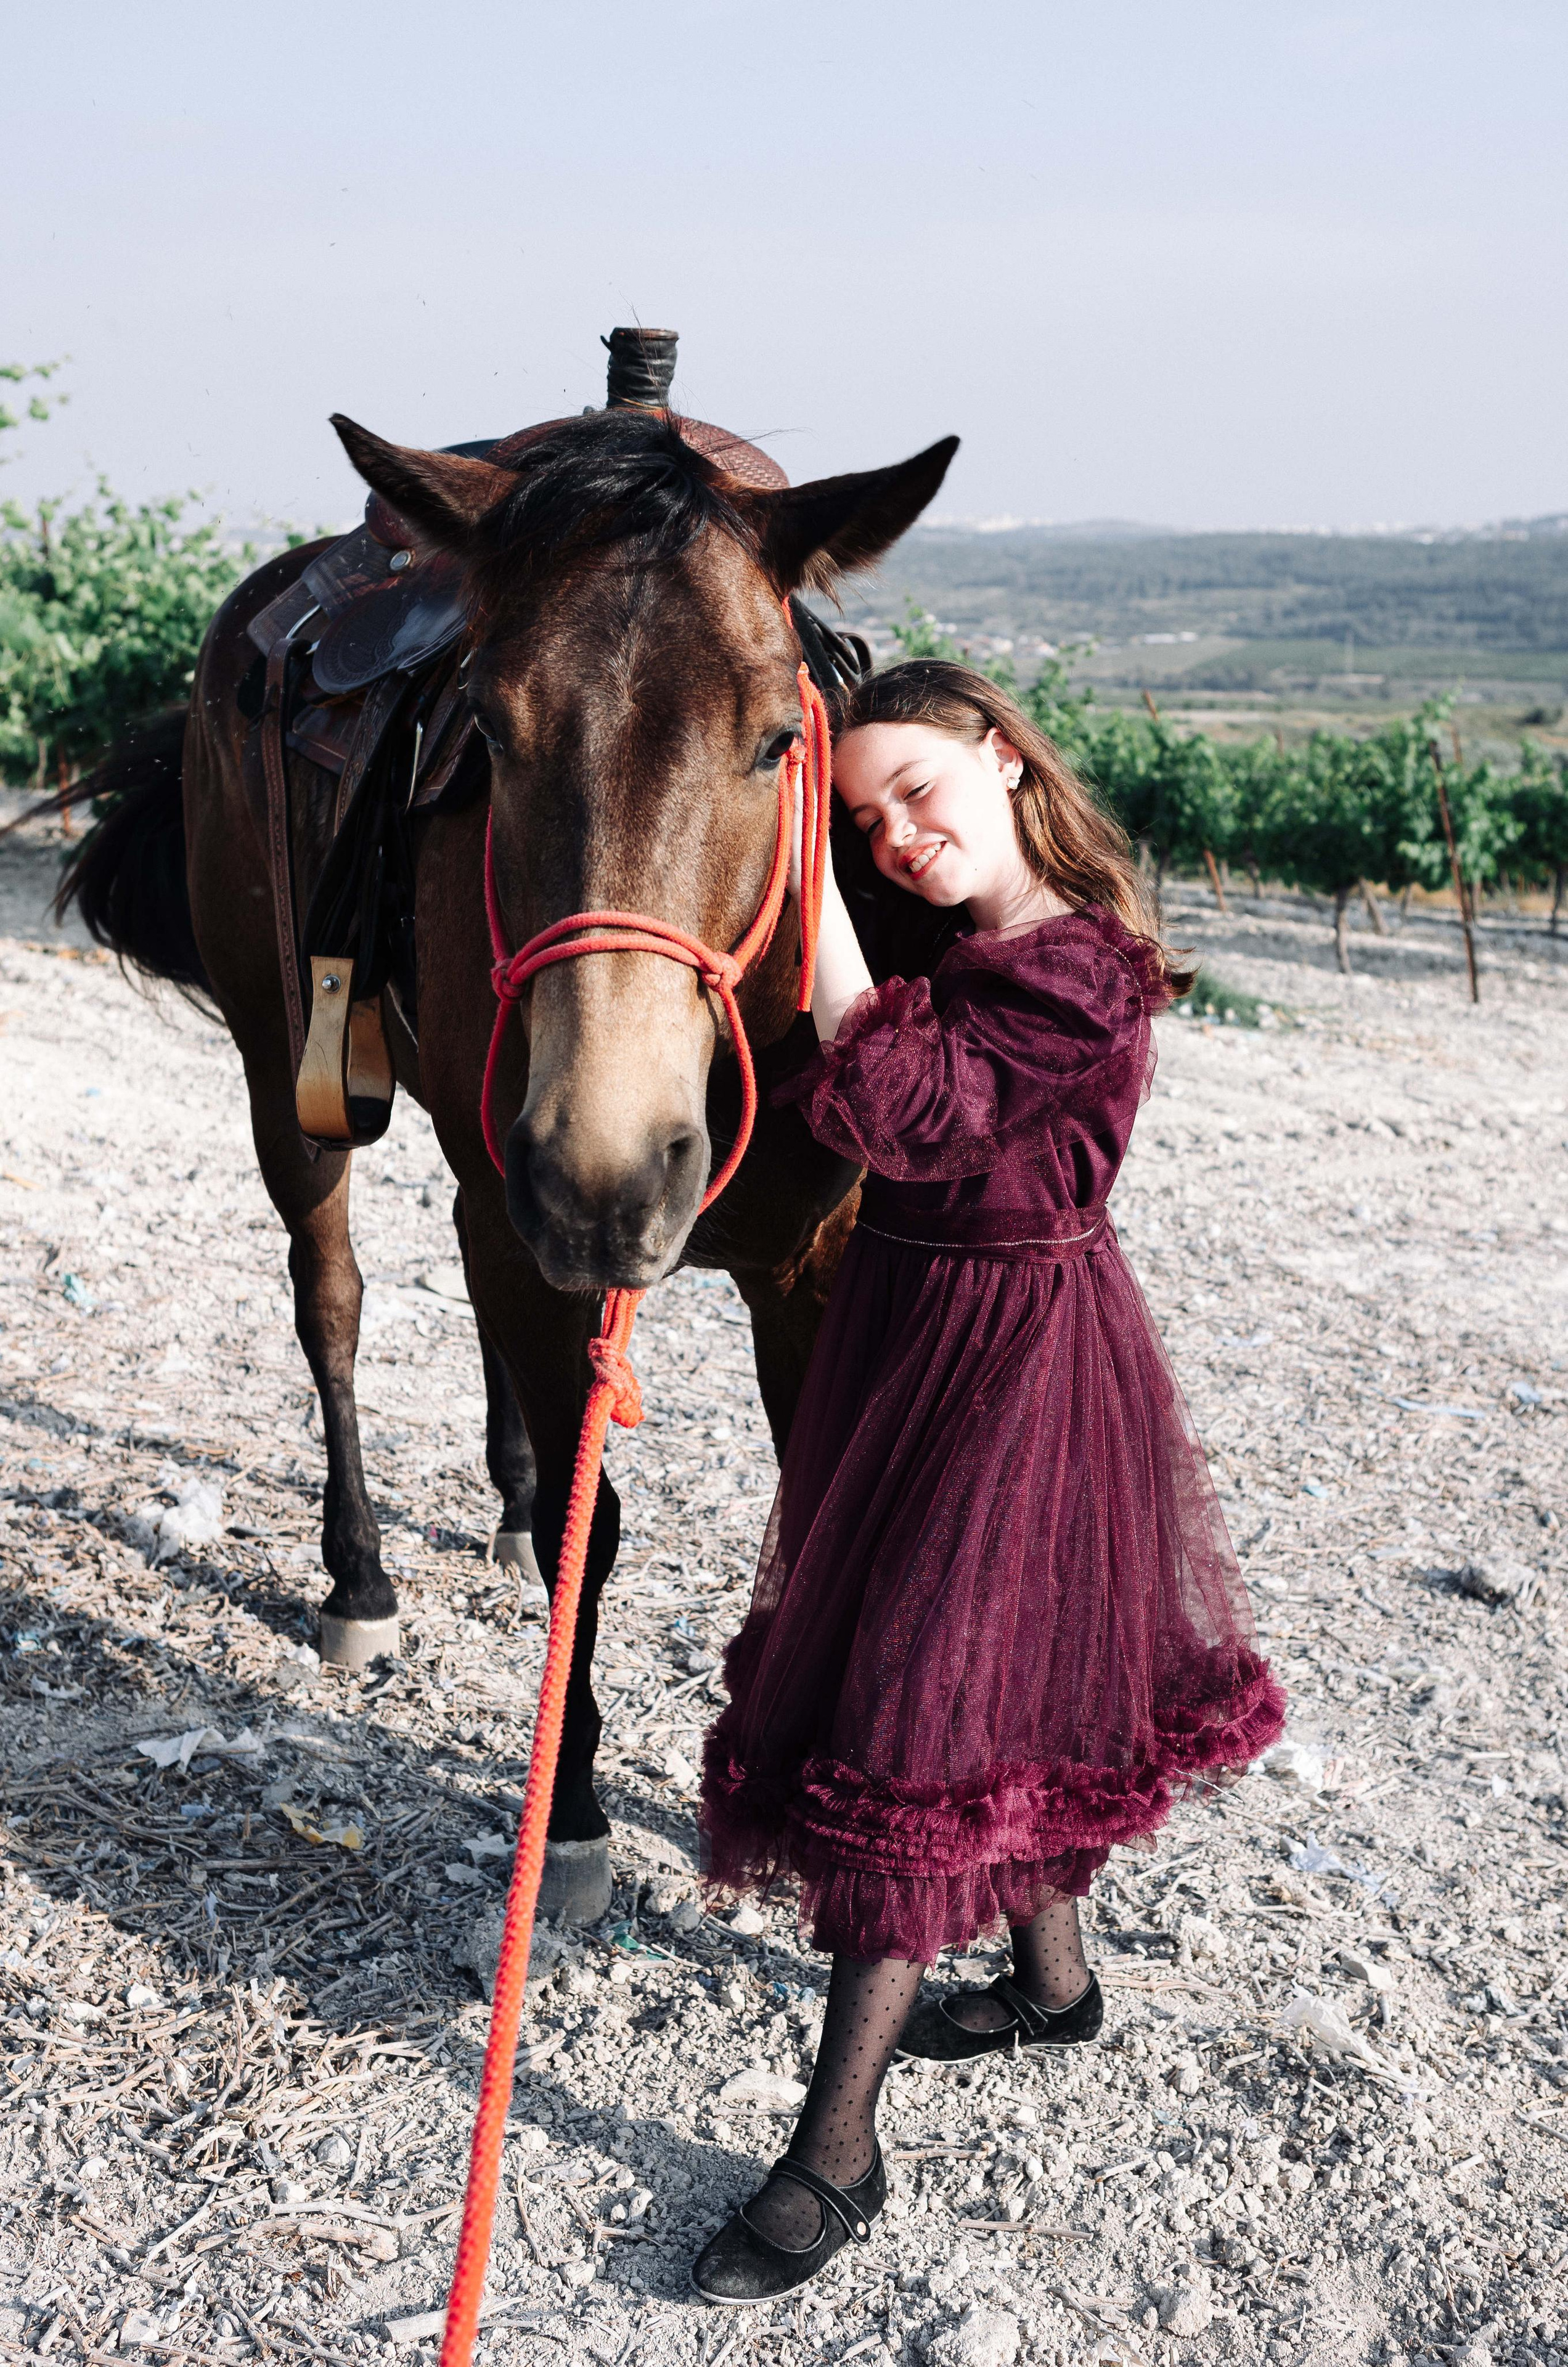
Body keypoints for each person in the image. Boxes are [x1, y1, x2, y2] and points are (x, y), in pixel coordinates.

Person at [690, 660, 1285, 2307]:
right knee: (981, 1675)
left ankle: (835, 2152)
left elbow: (892, 1106)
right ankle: (1055, 1985)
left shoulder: (1079, 969)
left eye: (916, 797)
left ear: (1006, 762)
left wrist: (812, 861)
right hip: (909, 1328)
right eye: (866, 820)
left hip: (1019, 1352)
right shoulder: (949, 952)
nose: (896, 839)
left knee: (917, 1712)